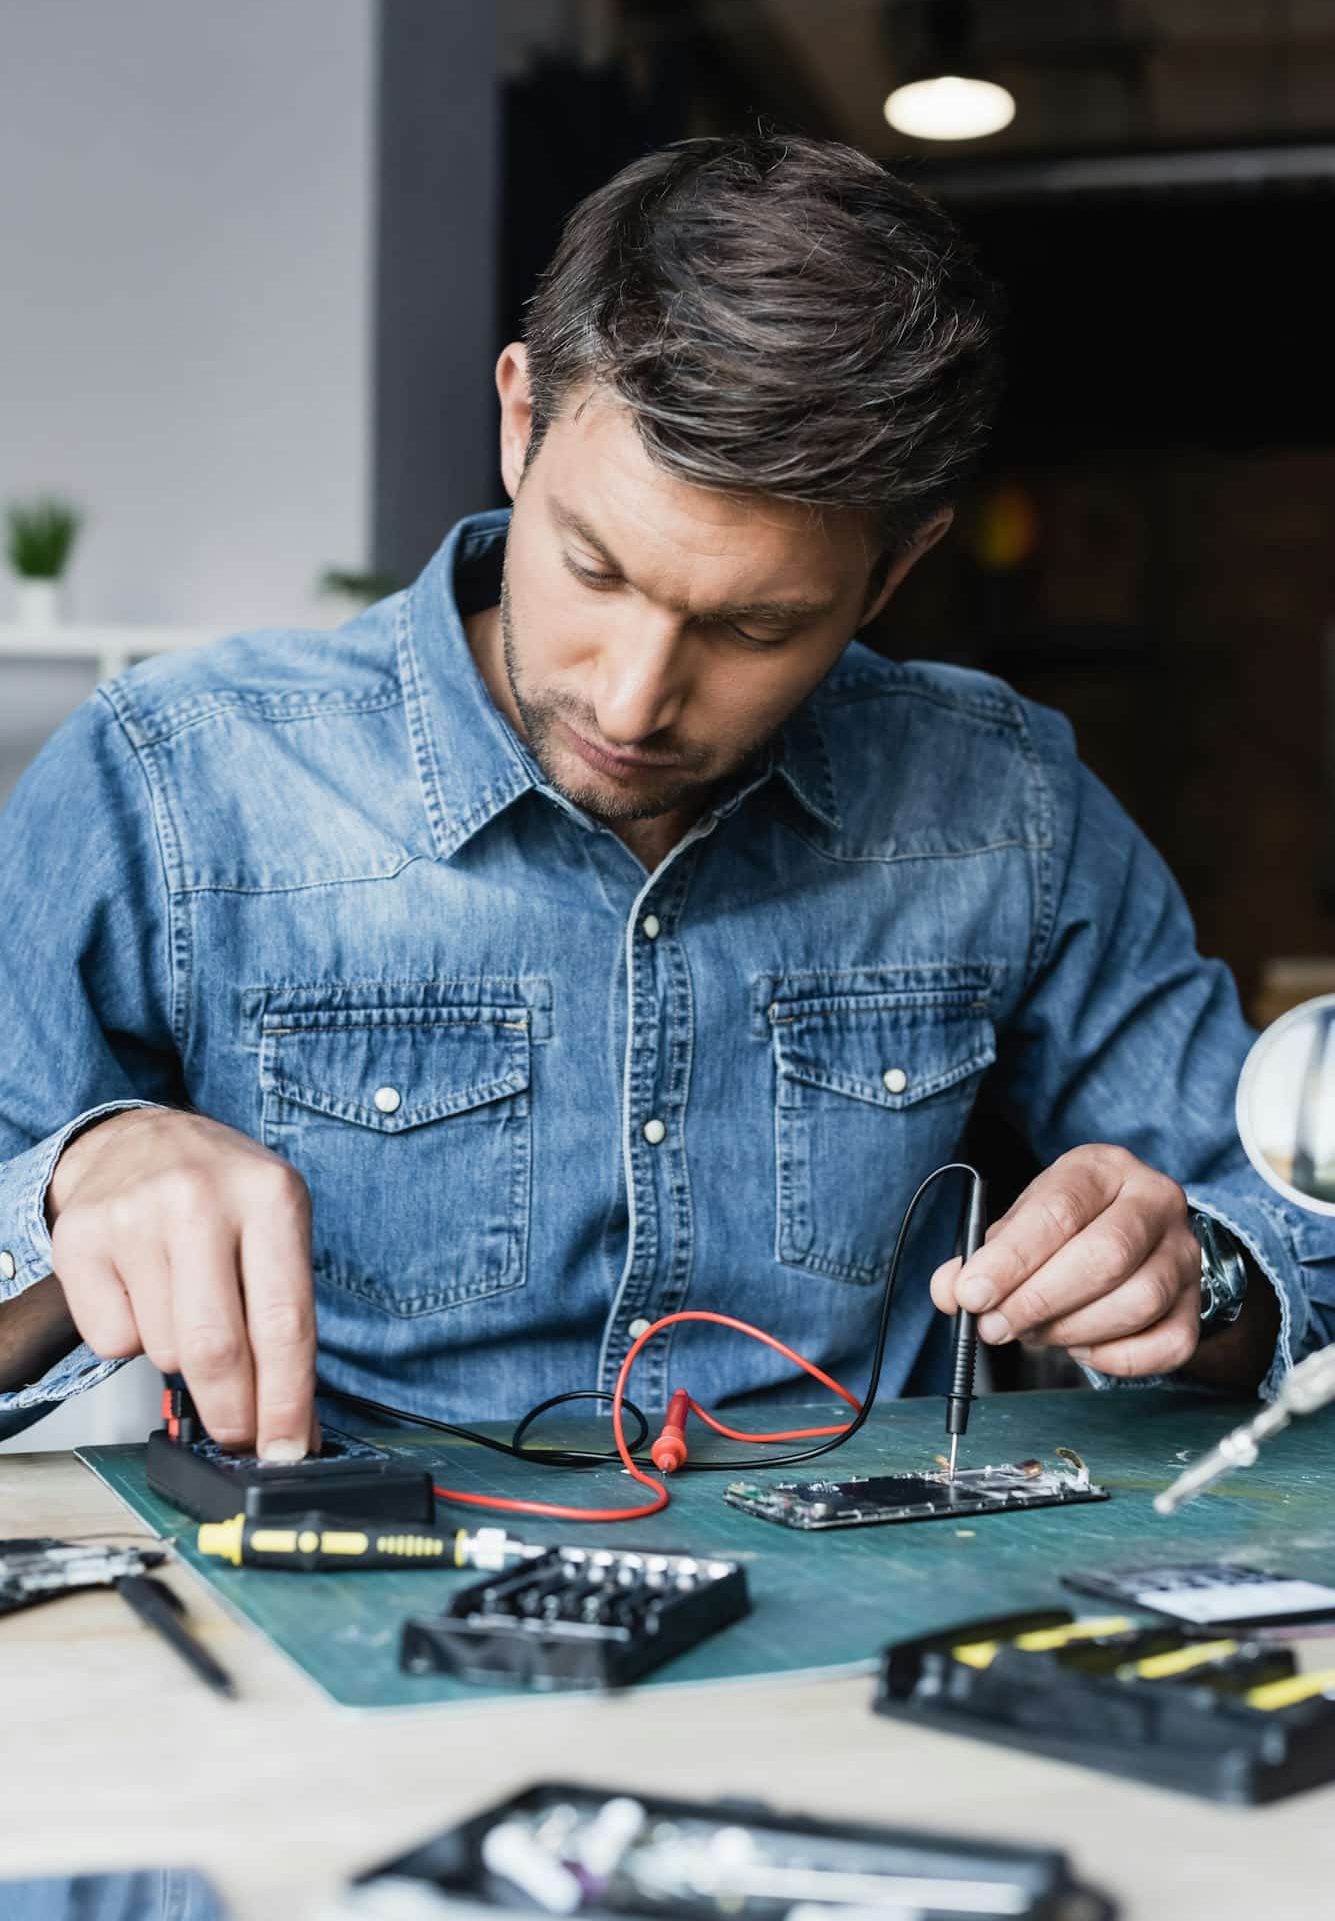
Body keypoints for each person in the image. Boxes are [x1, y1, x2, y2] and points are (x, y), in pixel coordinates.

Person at [0, 136, 1323, 1461]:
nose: (633, 702)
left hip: (870, 1614)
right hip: (342, 1593)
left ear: (893, 570)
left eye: (755, 628)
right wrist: (71, 1191)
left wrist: (1197, 1276)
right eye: (595, 570)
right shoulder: (174, 781)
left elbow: (1299, 1223)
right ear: (518, 423)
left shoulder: (1007, 805)